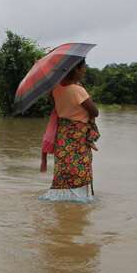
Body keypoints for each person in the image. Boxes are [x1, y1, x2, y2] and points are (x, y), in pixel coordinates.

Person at [39, 59, 100, 203]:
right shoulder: (78, 90)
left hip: (63, 134)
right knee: (81, 168)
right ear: (76, 70)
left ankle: (63, 200)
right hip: (78, 136)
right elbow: (95, 112)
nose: (85, 70)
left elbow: (57, 107)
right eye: (83, 67)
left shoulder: (55, 89)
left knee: (64, 168)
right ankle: (81, 201)